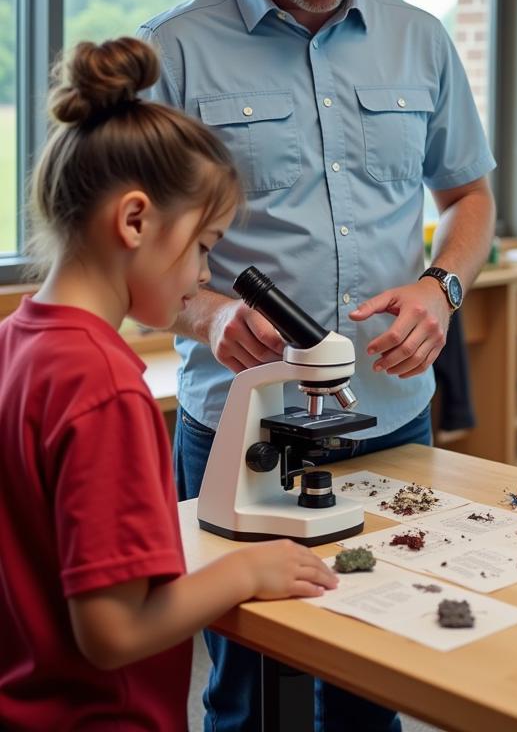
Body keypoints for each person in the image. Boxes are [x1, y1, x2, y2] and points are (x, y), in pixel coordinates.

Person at [140, 0, 496, 730]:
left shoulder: (419, 40)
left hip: (392, 424)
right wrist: (210, 313)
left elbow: (470, 200)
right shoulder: (169, 54)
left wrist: (442, 285)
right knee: (245, 691)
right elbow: (138, 255)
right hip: (237, 435)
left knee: (377, 680)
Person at [0, 37, 338, 731]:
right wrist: (244, 574)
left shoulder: (18, 343)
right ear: (134, 221)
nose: (205, 277)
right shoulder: (106, 386)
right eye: (205, 246)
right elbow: (113, 632)